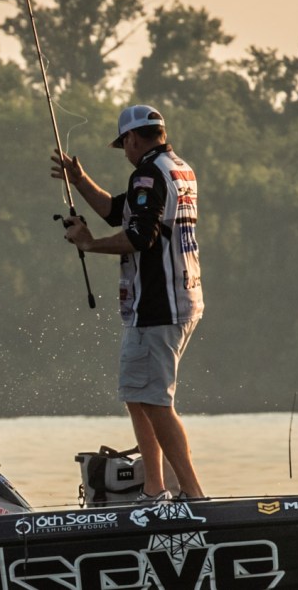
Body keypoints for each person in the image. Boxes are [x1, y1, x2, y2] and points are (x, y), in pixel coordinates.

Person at [51, 104, 206, 501]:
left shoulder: (148, 174)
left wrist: (88, 244)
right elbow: (117, 212)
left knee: (155, 402)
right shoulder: (178, 169)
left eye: (124, 145)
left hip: (158, 304)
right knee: (139, 398)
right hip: (178, 299)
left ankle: (192, 495)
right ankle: (155, 490)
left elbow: (139, 236)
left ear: (133, 138)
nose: (125, 152)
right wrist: (80, 180)